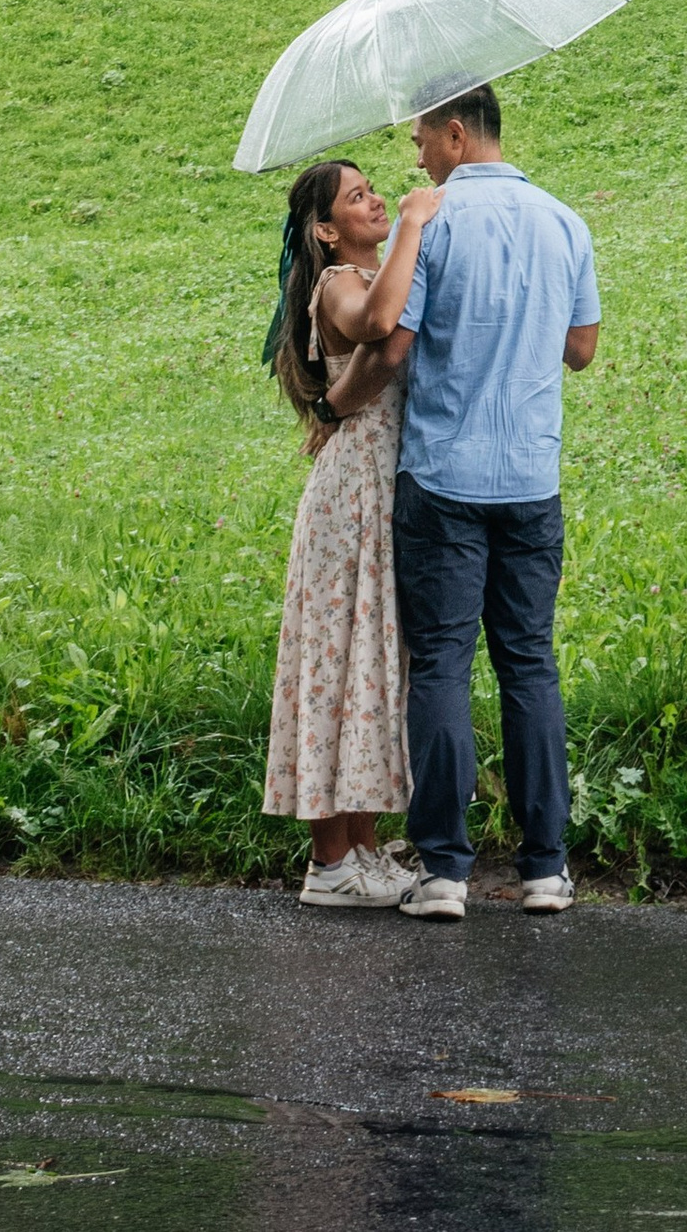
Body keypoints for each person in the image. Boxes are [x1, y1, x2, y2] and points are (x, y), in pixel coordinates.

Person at [372, 80, 600, 921]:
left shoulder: (429, 221)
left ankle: (445, 872)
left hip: (442, 477)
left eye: (423, 141)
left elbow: (394, 344)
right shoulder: (567, 221)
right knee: (529, 661)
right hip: (531, 479)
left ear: (457, 133)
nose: (419, 157)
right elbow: (582, 348)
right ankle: (546, 868)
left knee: (441, 662)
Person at [261, 156, 440, 908]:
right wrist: (414, 221)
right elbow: (377, 328)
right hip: (351, 494)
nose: (373, 201)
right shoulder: (341, 284)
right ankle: (329, 861)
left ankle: (361, 846)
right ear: (328, 231)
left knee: (368, 661)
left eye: (373, 190)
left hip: (376, 487)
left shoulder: (371, 273)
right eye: (357, 197)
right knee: (339, 662)